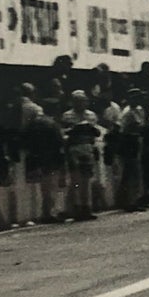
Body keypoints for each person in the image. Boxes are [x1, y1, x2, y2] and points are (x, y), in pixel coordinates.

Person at [61, 90, 102, 219]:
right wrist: (74, 129)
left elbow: (96, 133)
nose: (80, 104)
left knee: (86, 180)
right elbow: (64, 133)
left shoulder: (91, 115)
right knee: (75, 180)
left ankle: (86, 208)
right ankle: (75, 208)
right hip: (74, 147)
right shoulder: (67, 115)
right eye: (77, 101)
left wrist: (90, 129)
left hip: (87, 147)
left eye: (83, 101)